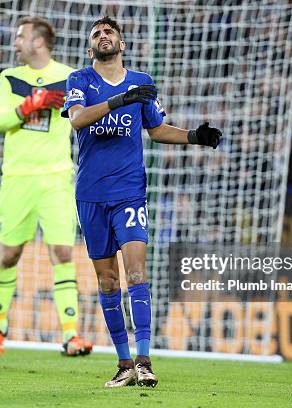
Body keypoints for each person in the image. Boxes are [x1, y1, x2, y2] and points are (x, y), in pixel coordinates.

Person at [62, 16, 221, 388]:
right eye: (97, 35)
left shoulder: (142, 82)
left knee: (136, 272)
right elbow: (77, 120)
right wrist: (120, 101)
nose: (103, 37)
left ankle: (145, 360)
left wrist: (195, 136)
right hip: (90, 195)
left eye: (109, 32)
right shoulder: (80, 80)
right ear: (90, 49)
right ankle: (123, 364)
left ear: (122, 44)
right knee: (107, 280)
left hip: (129, 192)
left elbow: (156, 129)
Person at [0, 16, 91, 357]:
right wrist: (29, 105)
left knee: (62, 251)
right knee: (9, 255)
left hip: (56, 178)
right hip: (18, 179)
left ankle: (71, 335)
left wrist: (69, 105)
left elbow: (85, 113)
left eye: (21, 37)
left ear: (39, 42)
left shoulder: (70, 77)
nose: (15, 42)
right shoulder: (10, 78)